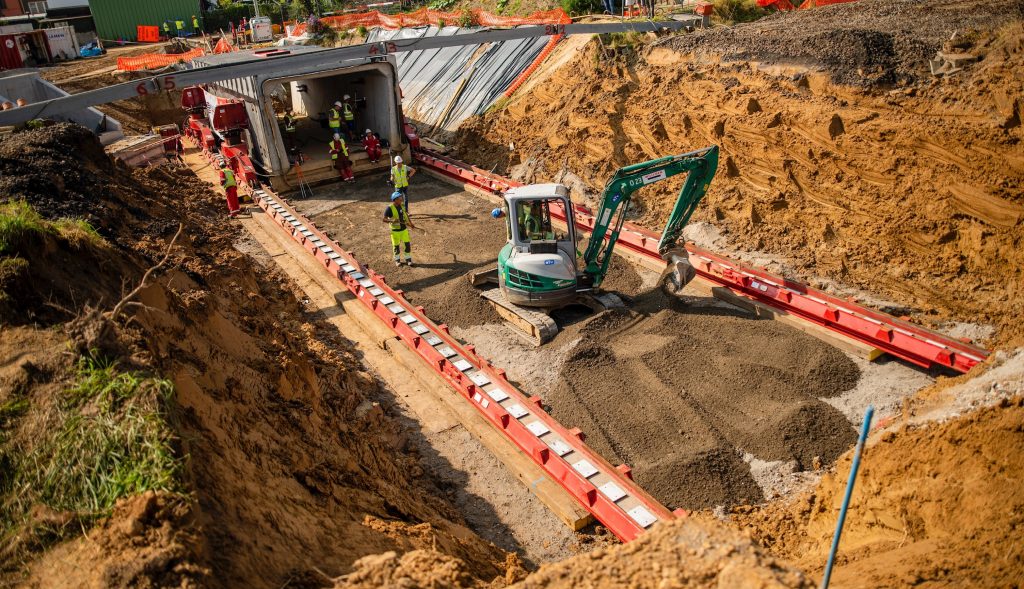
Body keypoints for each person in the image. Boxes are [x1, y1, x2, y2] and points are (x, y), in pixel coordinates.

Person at [383, 191, 415, 266]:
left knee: (407, 244)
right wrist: (391, 220)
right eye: (400, 198)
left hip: (404, 230)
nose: (401, 199)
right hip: (395, 231)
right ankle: (397, 260)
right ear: (395, 199)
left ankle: (408, 259)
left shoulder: (402, 205)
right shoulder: (389, 208)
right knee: (396, 246)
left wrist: (410, 223)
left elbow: (406, 215)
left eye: (401, 197)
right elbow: (384, 219)